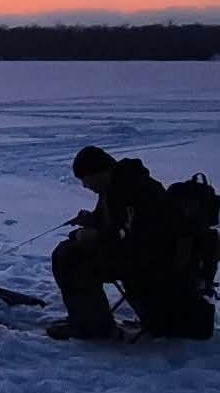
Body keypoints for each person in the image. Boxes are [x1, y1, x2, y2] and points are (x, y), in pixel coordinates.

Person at [48, 144, 165, 340]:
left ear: (99, 172)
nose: (85, 186)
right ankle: (85, 318)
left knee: (72, 258)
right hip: (132, 251)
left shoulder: (134, 188)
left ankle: (91, 326)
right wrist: (91, 220)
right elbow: (113, 221)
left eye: (85, 179)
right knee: (67, 250)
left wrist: (96, 236)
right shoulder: (114, 187)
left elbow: (138, 235)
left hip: (148, 257)